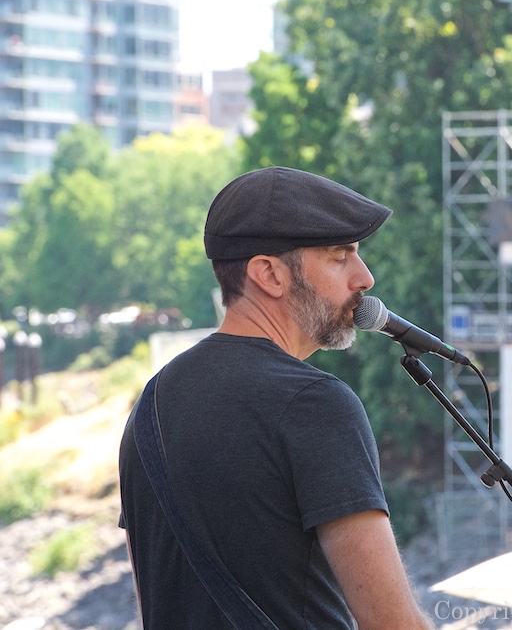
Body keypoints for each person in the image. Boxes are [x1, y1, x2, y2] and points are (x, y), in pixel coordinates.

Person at [118, 166, 433, 629]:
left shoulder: (149, 408)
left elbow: (154, 601)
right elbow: (392, 624)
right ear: (268, 273)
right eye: (339, 255)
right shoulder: (315, 404)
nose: (365, 278)